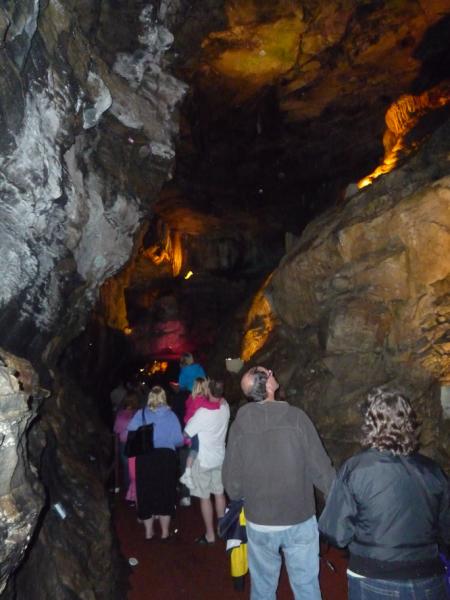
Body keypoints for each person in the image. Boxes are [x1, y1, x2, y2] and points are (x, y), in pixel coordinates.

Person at [319, 386, 450, 600]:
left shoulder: (356, 469)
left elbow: (335, 533)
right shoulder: (433, 471)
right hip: (428, 576)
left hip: (373, 575)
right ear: (409, 424)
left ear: (369, 424)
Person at [222, 366, 335, 600]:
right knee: (306, 587)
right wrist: (341, 503)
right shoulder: (297, 418)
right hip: (299, 518)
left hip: (260, 520)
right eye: (270, 373)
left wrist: (244, 494)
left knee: (262, 589)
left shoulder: (239, 426)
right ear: (270, 385)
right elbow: (321, 470)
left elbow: (232, 485)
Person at [127, 386, 183, 540]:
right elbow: (178, 439)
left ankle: (148, 532)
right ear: (164, 398)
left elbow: (130, 429)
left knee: (146, 492)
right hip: (166, 458)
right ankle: (164, 533)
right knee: (165, 492)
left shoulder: (141, 413)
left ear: (149, 398)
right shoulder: (171, 415)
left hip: (145, 457)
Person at [184, 379, 230, 544]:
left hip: (203, 459)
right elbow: (221, 400)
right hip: (220, 458)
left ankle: (210, 535)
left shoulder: (202, 413)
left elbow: (187, 433)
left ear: (208, 392)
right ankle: (222, 529)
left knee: (204, 497)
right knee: (219, 493)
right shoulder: (225, 408)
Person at [179, 377, 220, 488]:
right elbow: (211, 406)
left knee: (194, 449)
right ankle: (187, 474)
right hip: (193, 429)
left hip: (189, 425)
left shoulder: (191, 398)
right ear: (204, 388)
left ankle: (188, 474)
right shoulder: (200, 400)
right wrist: (218, 404)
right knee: (195, 449)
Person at [113, 390, 139, 493]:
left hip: (124, 443)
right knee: (135, 467)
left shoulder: (120, 414)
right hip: (136, 443)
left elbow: (116, 429)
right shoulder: (138, 414)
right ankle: (136, 490)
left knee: (126, 467)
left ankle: (129, 490)